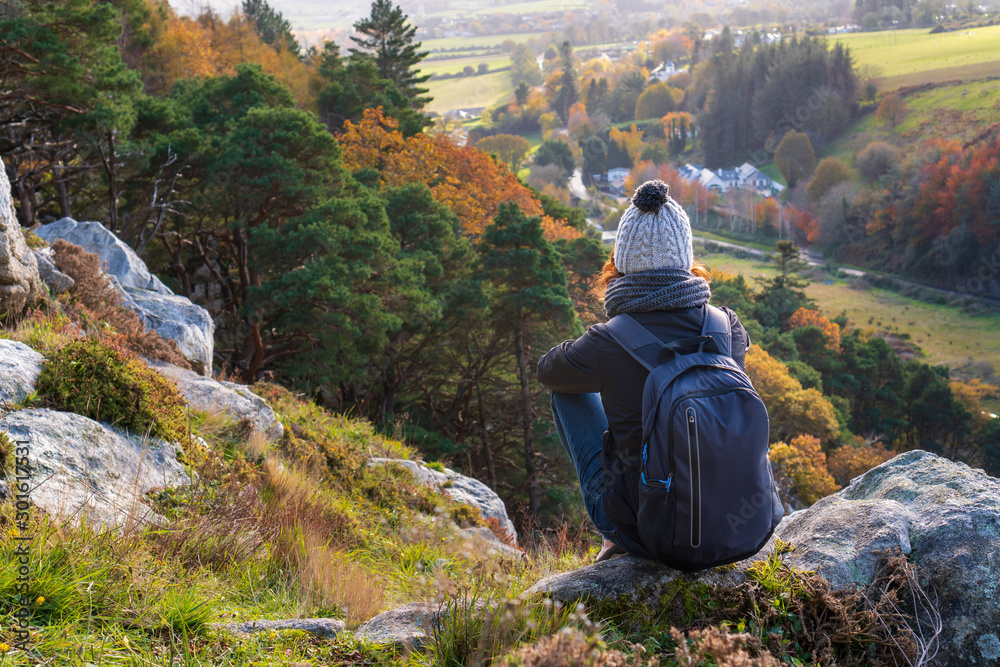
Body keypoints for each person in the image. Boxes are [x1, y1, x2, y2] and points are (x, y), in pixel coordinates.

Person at [537, 180, 751, 563]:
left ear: (621, 260)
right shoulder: (726, 326)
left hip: (646, 532)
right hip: (733, 520)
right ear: (685, 257)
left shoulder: (608, 341)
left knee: (568, 391)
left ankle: (613, 534)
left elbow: (549, 371)